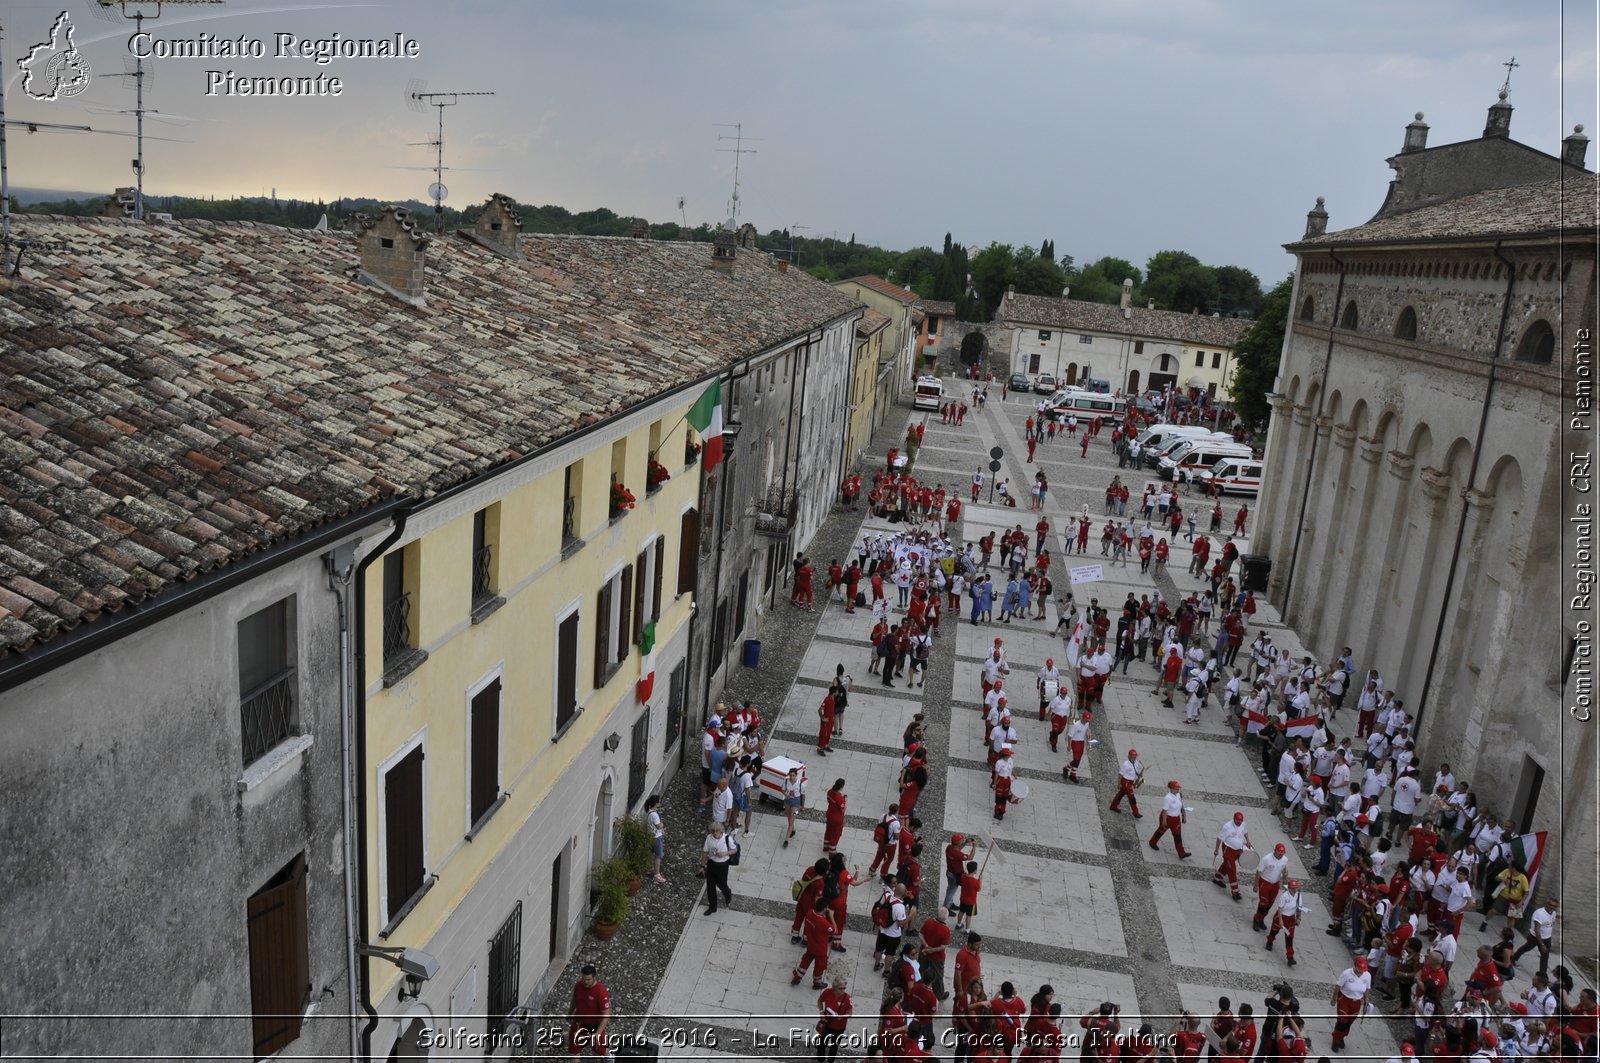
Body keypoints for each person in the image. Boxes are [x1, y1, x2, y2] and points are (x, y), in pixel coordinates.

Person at [792, 895, 838, 989]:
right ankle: (817, 983)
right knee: (819, 967)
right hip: (820, 949)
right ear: (825, 908)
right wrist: (831, 916)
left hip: (811, 945)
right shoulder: (824, 923)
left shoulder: (809, 913)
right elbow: (835, 931)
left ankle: (798, 977)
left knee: (805, 960)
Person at [567, 964, 611, 1057]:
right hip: (579, 1023)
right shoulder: (578, 985)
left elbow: (606, 1016)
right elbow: (574, 1000)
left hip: (595, 1025)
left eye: (588, 979)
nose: (585, 982)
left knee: (600, 1050)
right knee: (574, 1050)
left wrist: (597, 1034)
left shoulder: (601, 992)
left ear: (594, 977)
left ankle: (608, 1056)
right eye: (583, 979)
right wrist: (570, 1013)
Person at [1330, 956, 1372, 1050]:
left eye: (1363, 970)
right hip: (1344, 999)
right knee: (1342, 1021)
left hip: (1357, 1002)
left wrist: (1366, 1003)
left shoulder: (1367, 975)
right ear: (1355, 966)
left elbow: (1367, 990)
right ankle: (1335, 1041)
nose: (1361, 972)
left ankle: (1341, 1037)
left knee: (1349, 1022)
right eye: (1359, 969)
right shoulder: (1347, 973)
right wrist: (1334, 998)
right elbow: (1338, 986)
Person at [1511, 897, 1558, 978]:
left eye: (1554, 906)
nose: (1552, 907)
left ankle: (1543, 975)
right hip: (1535, 937)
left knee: (1545, 956)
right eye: (1551, 905)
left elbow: (1550, 924)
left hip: (1547, 938)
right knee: (1526, 948)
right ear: (1546, 904)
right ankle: (1513, 958)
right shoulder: (1540, 914)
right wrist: (1542, 944)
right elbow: (1537, 930)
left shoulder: (1553, 913)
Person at [699, 821, 737, 914]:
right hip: (712, 864)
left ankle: (727, 893)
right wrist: (702, 866)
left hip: (723, 865)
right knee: (710, 886)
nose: (715, 833)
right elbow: (705, 852)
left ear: (721, 831)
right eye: (713, 831)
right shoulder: (709, 838)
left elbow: (734, 850)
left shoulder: (727, 838)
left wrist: (725, 853)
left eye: (717, 831)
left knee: (722, 884)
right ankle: (712, 907)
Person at [815, 975, 854, 1062]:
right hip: (826, 1023)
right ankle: (820, 1059)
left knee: (834, 1045)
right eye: (840, 988)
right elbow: (819, 1001)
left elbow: (849, 1013)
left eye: (844, 988)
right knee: (821, 1042)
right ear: (834, 987)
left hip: (839, 1027)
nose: (843, 990)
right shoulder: (827, 992)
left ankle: (830, 1060)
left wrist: (841, 1017)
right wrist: (821, 1012)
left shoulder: (847, 998)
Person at [1149, 780, 1192, 858]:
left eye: (1178, 788)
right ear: (1171, 789)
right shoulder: (1168, 798)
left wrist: (1184, 816)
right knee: (1161, 831)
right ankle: (1152, 842)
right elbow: (1165, 811)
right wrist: (1164, 821)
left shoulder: (1179, 794)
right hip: (1167, 818)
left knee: (1177, 835)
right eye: (1176, 788)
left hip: (1176, 819)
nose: (1178, 789)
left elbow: (1181, 805)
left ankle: (1181, 853)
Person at [1214, 812, 1251, 900]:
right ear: (1234, 819)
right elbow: (1219, 838)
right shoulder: (1227, 827)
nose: (1239, 823)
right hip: (1228, 849)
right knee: (1232, 869)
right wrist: (1216, 850)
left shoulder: (1243, 824)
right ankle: (1235, 892)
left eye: (1240, 822)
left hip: (1238, 849)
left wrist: (1248, 841)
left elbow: (1245, 832)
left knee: (1227, 864)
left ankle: (1217, 878)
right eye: (1237, 821)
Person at [1109, 748, 1144, 817]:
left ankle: (1113, 806)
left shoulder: (1136, 762)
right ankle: (1136, 812)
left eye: (1135, 757)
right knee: (1132, 797)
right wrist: (1118, 784)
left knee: (1121, 794)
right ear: (1129, 756)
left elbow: (1136, 770)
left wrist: (1139, 775)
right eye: (1133, 757)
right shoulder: (1125, 764)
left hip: (1130, 781)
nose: (1135, 758)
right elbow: (1120, 775)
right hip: (1126, 782)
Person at [644, 794, 667, 883]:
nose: (660, 803)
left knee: (651, 853)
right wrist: (662, 824)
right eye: (659, 802)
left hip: (651, 836)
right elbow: (659, 826)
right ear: (656, 803)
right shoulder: (654, 815)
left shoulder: (649, 812)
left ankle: (650, 868)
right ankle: (657, 875)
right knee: (658, 855)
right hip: (656, 837)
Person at [781, 765, 805, 847]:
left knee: (791, 821)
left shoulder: (800, 784)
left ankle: (786, 840)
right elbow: (782, 790)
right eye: (790, 775)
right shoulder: (786, 781)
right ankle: (793, 830)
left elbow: (803, 795)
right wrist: (785, 793)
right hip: (787, 801)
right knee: (788, 817)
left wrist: (802, 805)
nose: (791, 777)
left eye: (793, 775)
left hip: (796, 803)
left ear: (796, 775)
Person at [823, 778, 847, 854]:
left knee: (828, 831)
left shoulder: (829, 792)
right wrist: (845, 800)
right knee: (835, 834)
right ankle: (832, 851)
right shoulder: (840, 798)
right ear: (842, 787)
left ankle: (826, 847)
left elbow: (829, 801)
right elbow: (843, 809)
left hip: (829, 814)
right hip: (837, 819)